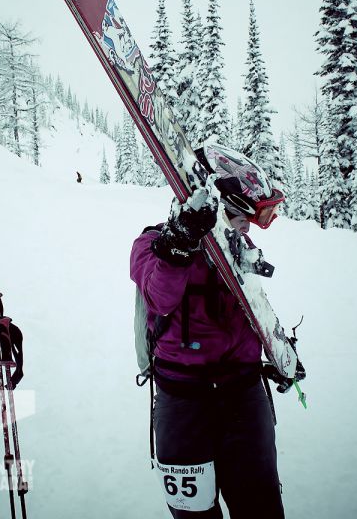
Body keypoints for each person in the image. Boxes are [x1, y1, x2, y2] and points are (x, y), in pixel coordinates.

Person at [130, 142, 296, 519]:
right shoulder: (150, 243)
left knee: (261, 507)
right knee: (195, 514)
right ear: (218, 209)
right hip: (182, 401)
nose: (246, 228)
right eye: (240, 218)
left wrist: (280, 351)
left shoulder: (239, 248)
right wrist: (180, 244)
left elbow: (254, 303)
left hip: (243, 395)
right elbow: (159, 297)